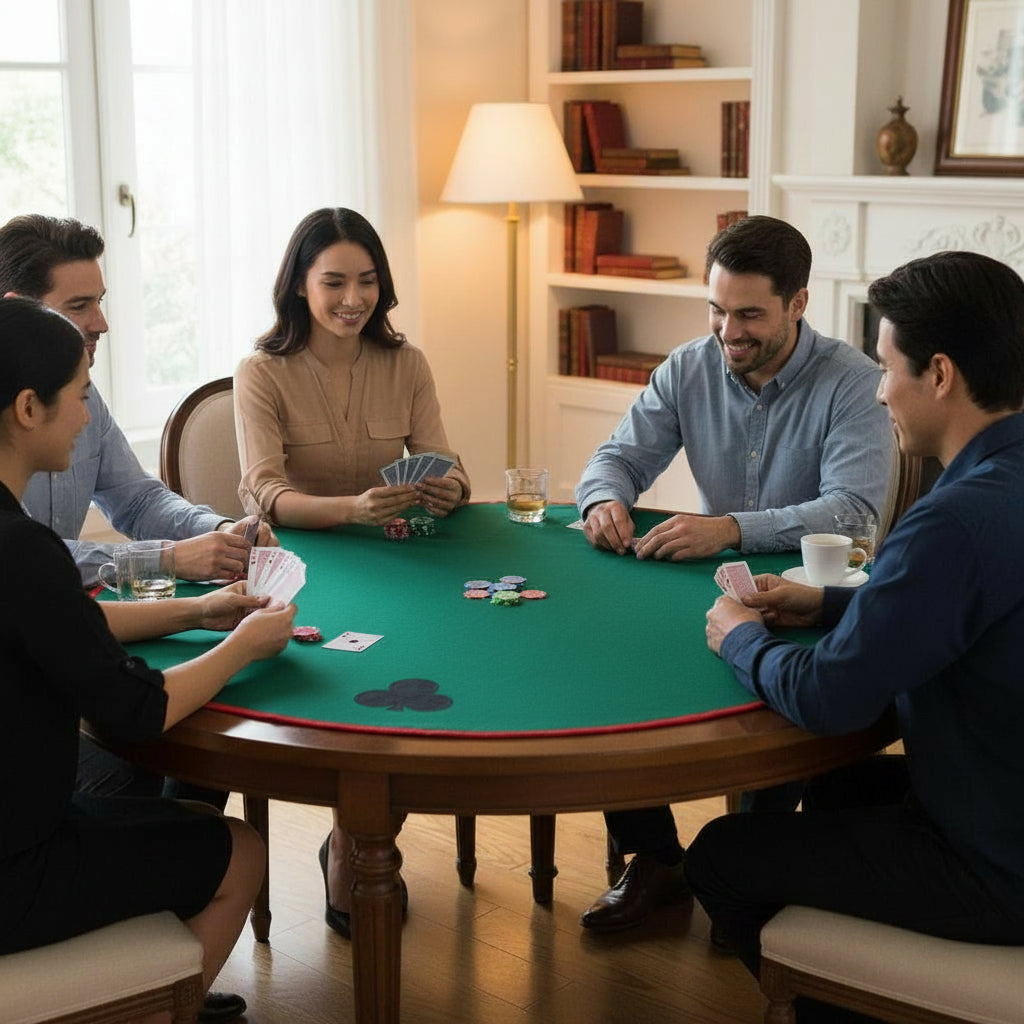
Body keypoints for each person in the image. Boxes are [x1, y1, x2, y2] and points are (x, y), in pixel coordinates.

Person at [692, 250, 1024, 1023]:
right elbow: (968, 612)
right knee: (840, 788)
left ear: (939, 375)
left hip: (996, 863)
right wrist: (828, 606)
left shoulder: (953, 520)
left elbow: (830, 697)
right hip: (1004, 801)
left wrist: (738, 635)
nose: (880, 393)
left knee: (722, 855)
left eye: (887, 369)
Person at [575, 216, 893, 935]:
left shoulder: (854, 382)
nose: (728, 332)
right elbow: (616, 457)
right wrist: (603, 498)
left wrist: (728, 529)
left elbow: (852, 513)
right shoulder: (689, 365)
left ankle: (750, 874)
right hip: (709, 588)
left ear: (799, 304)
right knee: (608, 682)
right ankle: (657, 861)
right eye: (717, 310)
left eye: (749, 314)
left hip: (814, 602)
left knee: (775, 721)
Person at [0, 297, 297, 1022]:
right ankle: (163, 1008)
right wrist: (240, 646)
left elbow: (67, 622)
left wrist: (199, 610)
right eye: (78, 396)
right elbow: (137, 709)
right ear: (28, 408)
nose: (85, 416)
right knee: (240, 850)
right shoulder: (23, 550)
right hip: (16, 873)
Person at [235, 206, 471, 939]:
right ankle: (356, 846)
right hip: (310, 572)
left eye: (367, 281)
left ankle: (357, 837)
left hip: (408, 562)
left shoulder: (408, 362)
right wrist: (351, 509)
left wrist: (449, 488)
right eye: (334, 281)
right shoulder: (260, 370)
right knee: (354, 704)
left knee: (426, 686)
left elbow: (450, 463)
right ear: (298, 286)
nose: (353, 298)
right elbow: (263, 493)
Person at [0, 214, 277, 589]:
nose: (101, 323)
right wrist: (165, 559)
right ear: (18, 308)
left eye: (99, 301)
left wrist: (222, 531)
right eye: (79, 305)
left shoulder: (85, 398)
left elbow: (137, 501)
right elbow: (21, 556)